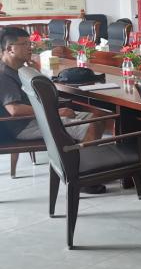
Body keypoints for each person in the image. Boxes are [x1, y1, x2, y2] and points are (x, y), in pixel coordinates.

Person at [0, 27, 105, 193]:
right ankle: (83, 179)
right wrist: (55, 112)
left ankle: (88, 168)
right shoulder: (4, 74)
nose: (30, 47)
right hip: (23, 126)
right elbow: (14, 109)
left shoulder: (18, 69)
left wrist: (36, 72)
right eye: (25, 44)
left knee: (98, 117)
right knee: (91, 126)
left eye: (30, 43)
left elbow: (41, 94)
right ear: (9, 48)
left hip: (36, 118)